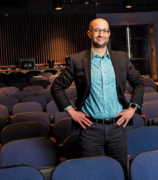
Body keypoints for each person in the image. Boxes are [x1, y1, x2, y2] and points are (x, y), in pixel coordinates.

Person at [51, 18, 144, 176]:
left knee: (120, 172)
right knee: (91, 173)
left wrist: (132, 109)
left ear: (108, 34)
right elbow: (57, 87)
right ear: (89, 33)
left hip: (117, 127)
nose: (101, 34)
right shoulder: (77, 60)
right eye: (96, 30)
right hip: (90, 129)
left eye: (105, 30)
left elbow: (139, 83)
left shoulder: (121, 58)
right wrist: (72, 112)